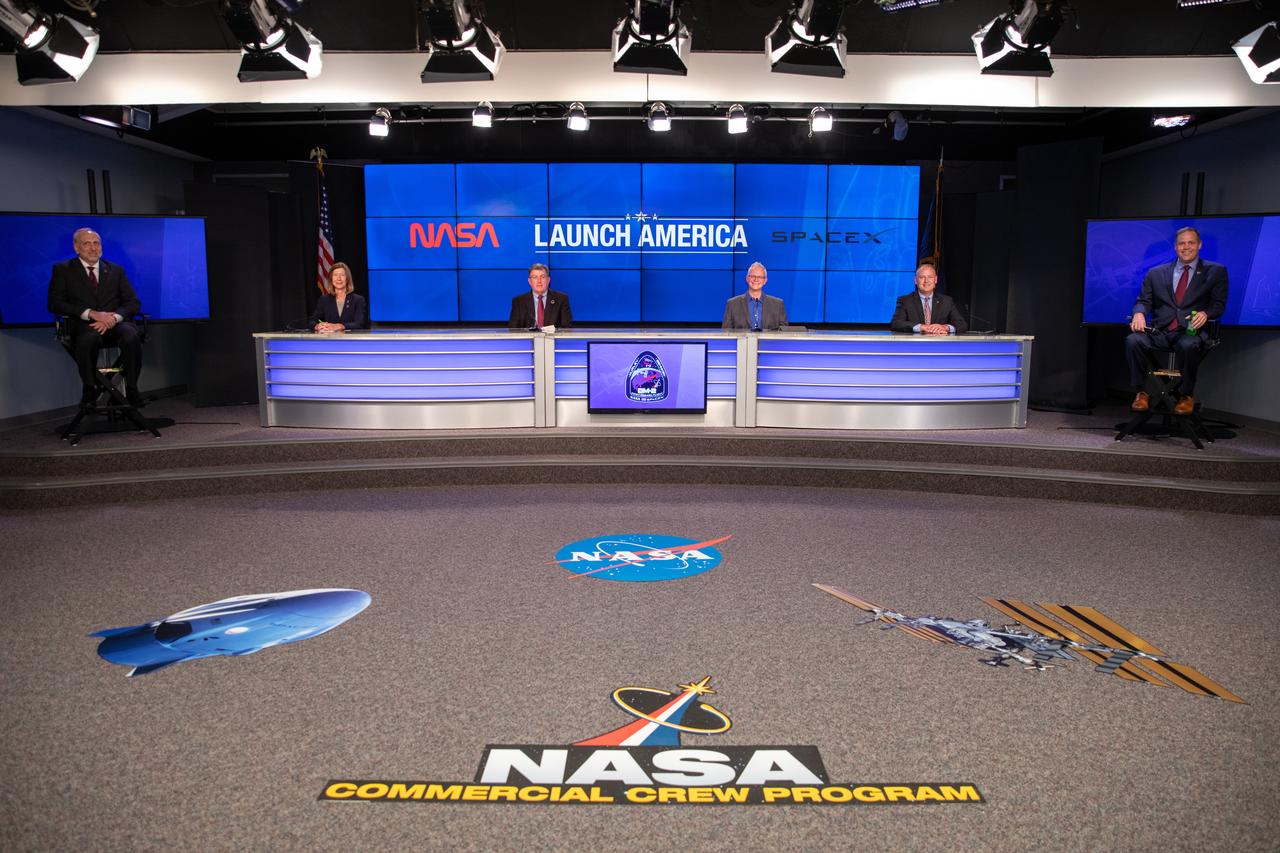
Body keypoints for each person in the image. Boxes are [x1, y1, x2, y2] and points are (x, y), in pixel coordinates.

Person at [1125, 226, 1228, 414]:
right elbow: (1143, 301)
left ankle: (1186, 395)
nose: (1186, 247)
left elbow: (1218, 305)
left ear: (1199, 245)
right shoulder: (1155, 273)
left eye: (1191, 242)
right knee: (1133, 340)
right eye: (1182, 243)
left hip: (1189, 332)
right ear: (1175, 247)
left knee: (1188, 346)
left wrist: (1206, 314)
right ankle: (1141, 392)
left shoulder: (1216, 271)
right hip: (1160, 331)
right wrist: (1139, 313)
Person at [47, 227, 145, 408]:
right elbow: (55, 304)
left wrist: (114, 318)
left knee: (131, 335)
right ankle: (89, 388)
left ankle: (132, 388)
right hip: (83, 325)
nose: (93, 248)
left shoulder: (116, 270)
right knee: (88, 338)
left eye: (96, 243)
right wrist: (91, 313)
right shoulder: (63, 270)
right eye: (87, 244)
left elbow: (133, 303)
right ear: (76, 247)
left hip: (114, 323)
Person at [890, 262, 967, 335]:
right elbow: (896, 323)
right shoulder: (905, 301)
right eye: (922, 277)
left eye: (930, 277)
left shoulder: (947, 301)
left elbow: (962, 324)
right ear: (915, 280)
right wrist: (921, 327)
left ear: (935, 280)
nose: (926, 281)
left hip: (940, 345)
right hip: (914, 346)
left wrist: (945, 327)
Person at [722, 262, 787, 331]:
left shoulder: (778, 304)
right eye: (753, 276)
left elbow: (784, 332)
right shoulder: (732, 304)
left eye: (760, 277)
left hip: (769, 342)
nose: (756, 279)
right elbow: (726, 333)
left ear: (765, 280)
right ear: (747, 278)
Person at [509, 263, 572, 329]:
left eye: (542, 277)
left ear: (548, 280)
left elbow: (566, 328)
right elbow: (513, 329)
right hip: (528, 339)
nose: (539, 281)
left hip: (552, 338)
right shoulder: (518, 302)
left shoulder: (561, 299)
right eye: (535, 277)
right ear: (529, 281)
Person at [309, 262, 369, 332]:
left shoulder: (358, 299)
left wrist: (340, 326)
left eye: (342, 275)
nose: (339, 278)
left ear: (347, 279)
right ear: (331, 279)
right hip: (330, 340)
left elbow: (360, 323)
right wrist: (317, 326)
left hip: (351, 340)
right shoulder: (324, 300)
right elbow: (312, 320)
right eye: (335, 275)